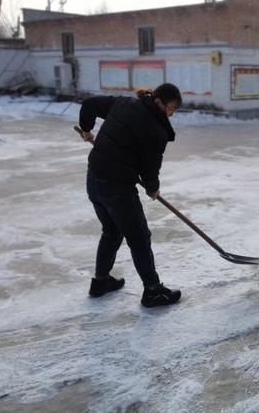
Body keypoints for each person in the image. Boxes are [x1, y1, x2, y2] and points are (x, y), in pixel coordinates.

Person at [77, 83, 183, 308]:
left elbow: (89, 105)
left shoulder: (123, 103)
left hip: (94, 179)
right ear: (158, 101)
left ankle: (100, 282)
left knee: (112, 230)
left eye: (175, 109)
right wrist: (152, 187)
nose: (172, 113)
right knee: (139, 237)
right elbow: (150, 168)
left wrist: (86, 129)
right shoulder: (156, 130)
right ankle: (153, 291)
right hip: (116, 187)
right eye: (171, 107)